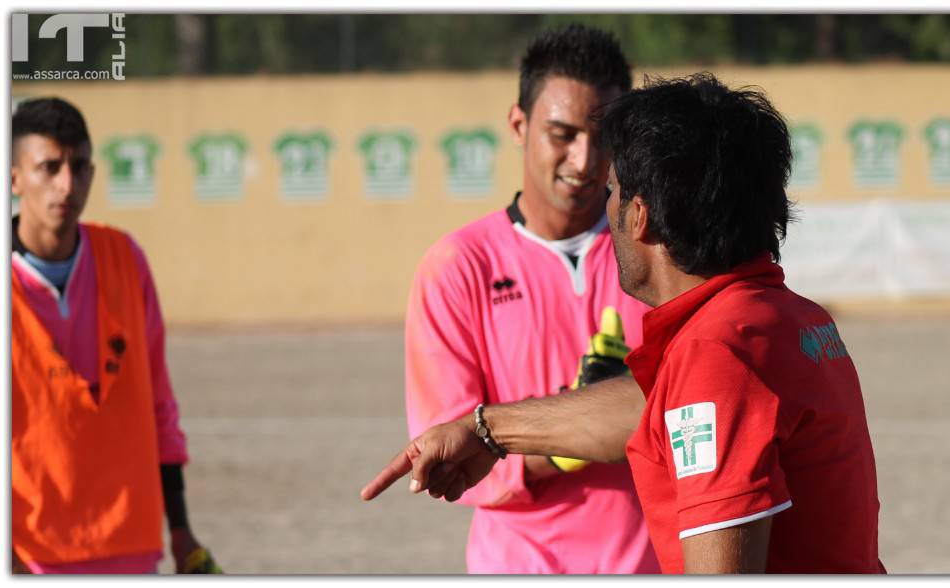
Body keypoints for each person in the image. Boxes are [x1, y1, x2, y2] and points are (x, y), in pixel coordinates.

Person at [363, 74, 886, 574]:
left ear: (641, 216)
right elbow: (652, 407)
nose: (602, 203)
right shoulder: (786, 319)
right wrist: (488, 429)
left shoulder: (715, 353)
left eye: (610, 190)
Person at [400, 24, 659, 573]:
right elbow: (449, 456)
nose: (586, 159)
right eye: (562, 133)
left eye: (604, 134)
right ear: (519, 125)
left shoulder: (658, 250)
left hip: (653, 564)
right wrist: (573, 436)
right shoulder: (457, 268)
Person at [10, 97, 221, 574]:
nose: (67, 183)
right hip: (31, 554)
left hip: (131, 543)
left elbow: (158, 403)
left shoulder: (124, 258)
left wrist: (180, 530)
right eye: (49, 167)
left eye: (79, 166)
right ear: (14, 176)